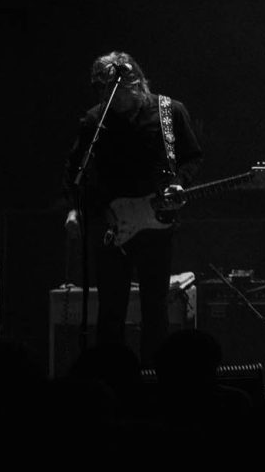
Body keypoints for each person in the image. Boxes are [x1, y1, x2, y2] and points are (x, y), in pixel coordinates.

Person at [64, 51, 202, 363]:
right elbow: (74, 170)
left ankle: (154, 378)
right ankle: (112, 379)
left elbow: (193, 156)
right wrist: (77, 208)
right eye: (101, 90)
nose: (107, 97)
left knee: (155, 308)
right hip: (111, 222)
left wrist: (181, 181)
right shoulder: (94, 120)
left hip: (157, 223)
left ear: (135, 83)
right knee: (111, 309)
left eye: (114, 89)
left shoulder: (170, 111)